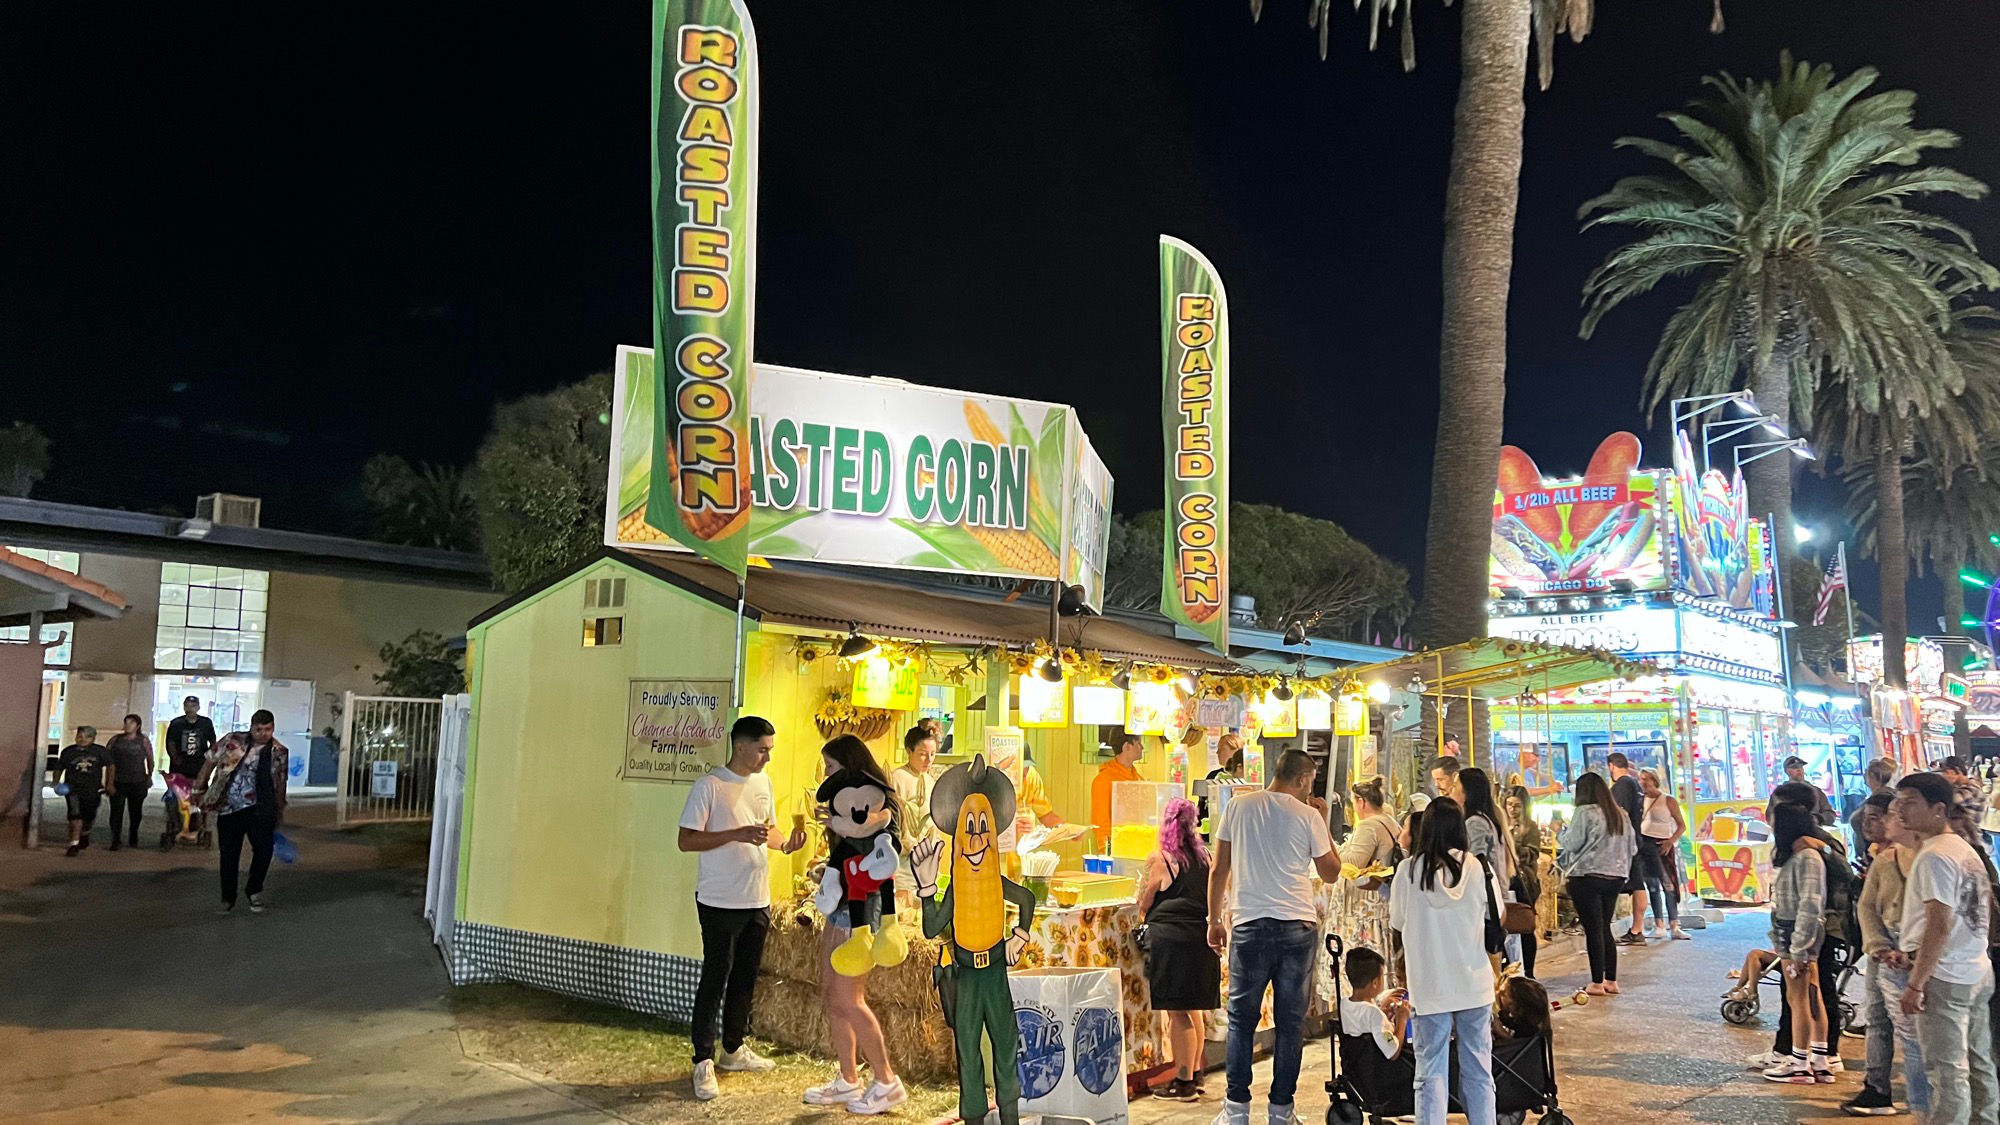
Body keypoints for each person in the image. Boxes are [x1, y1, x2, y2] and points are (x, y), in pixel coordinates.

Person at [675, 716, 808, 1102]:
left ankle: (733, 1048)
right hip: (719, 899)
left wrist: (787, 844)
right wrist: (737, 834)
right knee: (716, 976)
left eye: (771, 749)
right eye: (763, 749)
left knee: (746, 977)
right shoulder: (710, 785)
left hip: (757, 898)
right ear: (741, 745)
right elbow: (686, 840)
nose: (768, 757)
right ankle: (703, 1060)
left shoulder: (763, 783)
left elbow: (769, 830)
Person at [1207, 749, 1342, 1125]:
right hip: (1297, 927)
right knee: (1290, 1023)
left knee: (1241, 1020)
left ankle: (1236, 1111)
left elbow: (1219, 868)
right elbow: (1331, 871)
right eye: (1310, 782)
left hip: (1248, 925)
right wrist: (1323, 822)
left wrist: (1213, 919)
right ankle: (1281, 1111)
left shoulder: (1238, 806)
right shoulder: (1308, 816)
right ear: (1302, 779)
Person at [805, 735, 905, 1115]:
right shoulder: (843, 806)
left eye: (830, 767)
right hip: (839, 906)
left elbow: (883, 854)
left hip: (863, 911)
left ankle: (886, 1080)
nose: (826, 776)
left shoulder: (879, 805)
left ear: (849, 766)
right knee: (830, 993)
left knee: (850, 997)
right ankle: (848, 1079)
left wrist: (842, 826)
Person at [1389, 796, 1504, 1125]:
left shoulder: (1408, 871)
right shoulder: (1478, 867)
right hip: (1474, 984)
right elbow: (1497, 913)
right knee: (1480, 1071)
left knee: (1430, 1073)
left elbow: (1397, 920)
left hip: (1431, 986)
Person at [1891, 771, 1998, 1125]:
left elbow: (1939, 923)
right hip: (1975, 969)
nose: (1900, 810)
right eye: (1899, 802)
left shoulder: (1935, 855)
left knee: (1947, 1072)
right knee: (1978, 1062)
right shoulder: (1961, 848)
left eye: (1910, 803)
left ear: (1938, 809)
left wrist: (1916, 983)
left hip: (1945, 975)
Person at [1845, 792, 1929, 1118]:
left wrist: (1913, 953)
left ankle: (1924, 1108)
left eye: (1878, 817)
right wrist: (1878, 946)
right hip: (1885, 951)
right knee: (1878, 1019)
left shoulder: (1930, 855)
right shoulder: (1880, 859)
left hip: (1919, 953)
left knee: (1915, 1035)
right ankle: (1877, 1088)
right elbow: (1866, 906)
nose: (1869, 823)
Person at [1137, 796, 1219, 1102]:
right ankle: (1195, 1074)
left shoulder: (1163, 859)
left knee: (1178, 1013)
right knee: (1192, 1008)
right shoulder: (1206, 857)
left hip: (1172, 940)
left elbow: (1145, 900)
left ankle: (1183, 1083)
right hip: (1200, 936)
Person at [1763, 802, 1836, 1084]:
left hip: (1797, 933)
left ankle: (1799, 1061)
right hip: (1797, 933)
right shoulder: (1802, 854)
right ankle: (1818, 1059)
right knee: (1811, 995)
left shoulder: (1807, 857)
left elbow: (1810, 903)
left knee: (1799, 998)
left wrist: (1799, 948)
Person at [192, 710, 289, 913]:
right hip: (229, 806)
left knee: (264, 851)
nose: (263, 733)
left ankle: (254, 890)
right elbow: (210, 760)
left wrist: (280, 810)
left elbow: (280, 782)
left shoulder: (279, 751)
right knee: (229, 854)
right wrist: (199, 788)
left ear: (273, 728)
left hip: (261, 808)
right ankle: (228, 898)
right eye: (258, 729)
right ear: (251, 727)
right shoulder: (233, 740)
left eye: (268, 729)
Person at [1557, 772, 1637, 995]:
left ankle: (1595, 982)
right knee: (1605, 927)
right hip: (1616, 876)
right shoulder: (1620, 814)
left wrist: (1559, 832)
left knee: (1593, 929)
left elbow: (1572, 844)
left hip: (1587, 875)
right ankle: (1611, 980)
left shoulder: (1585, 812)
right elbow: (1633, 848)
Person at [1457, 768, 1521, 970]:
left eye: (1455, 786)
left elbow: (1476, 863)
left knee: (1488, 961)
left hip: (1486, 901)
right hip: (1493, 897)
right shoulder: (1487, 818)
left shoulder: (1475, 822)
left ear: (1467, 791)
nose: (1451, 790)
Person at [1603, 753, 1651, 946]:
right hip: (1634, 840)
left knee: (1633, 884)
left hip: (1625, 843)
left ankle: (1636, 929)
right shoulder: (1633, 784)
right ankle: (1637, 929)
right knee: (1638, 885)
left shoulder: (1622, 785)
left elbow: (1619, 812)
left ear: (1611, 766)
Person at [1638, 769, 1690, 941]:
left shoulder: (1667, 800)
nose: (1643, 783)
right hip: (1645, 844)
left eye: (1646, 779)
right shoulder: (1640, 800)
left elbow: (1681, 825)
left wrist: (1671, 841)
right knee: (1652, 885)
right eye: (1641, 779)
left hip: (1662, 844)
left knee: (1668, 884)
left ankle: (1674, 924)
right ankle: (1659, 924)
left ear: (1654, 780)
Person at [1339, 946, 1411, 1060]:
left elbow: (1364, 1024)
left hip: (1357, 1067)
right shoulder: (1374, 1014)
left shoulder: (1343, 1005)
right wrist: (1402, 1019)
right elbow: (1392, 1053)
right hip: (1380, 1070)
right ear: (1375, 983)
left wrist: (1383, 1015)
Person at [102, 714, 154, 852]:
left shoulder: (143, 741)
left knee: (135, 811)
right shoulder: (115, 741)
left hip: (138, 781)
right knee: (116, 811)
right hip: (119, 781)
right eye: (126, 722)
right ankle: (116, 839)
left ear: (137, 726)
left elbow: (150, 758)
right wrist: (109, 782)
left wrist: (149, 776)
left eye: (131, 723)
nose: (128, 725)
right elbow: (108, 762)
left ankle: (133, 835)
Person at [56, 725, 110, 856]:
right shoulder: (68, 752)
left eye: (87, 737)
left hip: (92, 790)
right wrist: (55, 782)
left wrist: (109, 783)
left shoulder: (99, 752)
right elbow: (59, 767)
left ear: (93, 738)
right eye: (79, 736)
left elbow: (111, 765)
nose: (82, 739)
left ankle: (85, 833)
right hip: (73, 789)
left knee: (88, 816)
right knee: (75, 816)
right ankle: (73, 845)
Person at [1339, 776, 1401, 879]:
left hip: (1376, 890)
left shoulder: (1368, 826)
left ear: (1361, 802)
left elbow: (1354, 863)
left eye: (1353, 803)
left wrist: (1333, 850)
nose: (1354, 808)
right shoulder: (1389, 820)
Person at [1091, 732, 1145, 848]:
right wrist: (1106, 852)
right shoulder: (1103, 780)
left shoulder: (1139, 779)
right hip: (1116, 851)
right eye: (1139, 743)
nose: (1142, 747)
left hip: (1139, 847)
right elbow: (1101, 823)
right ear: (1127, 747)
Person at [1770, 755, 1838, 827]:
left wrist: (1818, 819)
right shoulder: (1780, 794)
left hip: (1815, 832)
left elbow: (1830, 813)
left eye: (1801, 767)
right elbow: (1771, 816)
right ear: (1787, 771)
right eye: (1794, 767)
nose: (1799, 769)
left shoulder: (1816, 791)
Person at [1850, 757, 1898, 856]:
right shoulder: (1888, 795)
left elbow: (1855, 820)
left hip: (1876, 849)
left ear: (1871, 776)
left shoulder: (1881, 798)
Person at [164, 696, 217, 778]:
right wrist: (175, 757)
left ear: (198, 707)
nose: (189, 709)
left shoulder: (206, 723)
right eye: (187, 706)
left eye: (193, 706)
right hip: (179, 767)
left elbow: (213, 741)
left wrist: (207, 759)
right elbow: (170, 742)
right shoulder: (176, 723)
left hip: (199, 766)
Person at [1940, 755, 1988, 828]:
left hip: (1967, 836)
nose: (1944, 776)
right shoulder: (1961, 787)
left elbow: (1947, 801)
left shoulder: (1970, 789)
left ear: (1957, 770)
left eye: (1947, 772)